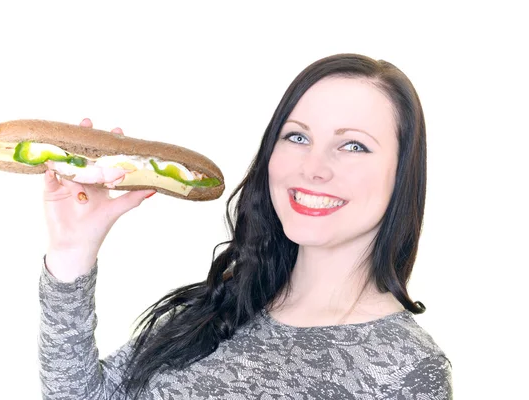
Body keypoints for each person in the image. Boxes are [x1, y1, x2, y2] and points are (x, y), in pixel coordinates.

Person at [38, 53, 453, 399]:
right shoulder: (221, 303)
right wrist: (72, 251)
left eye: (353, 145)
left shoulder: (408, 370)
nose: (313, 168)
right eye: (297, 137)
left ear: (402, 174)